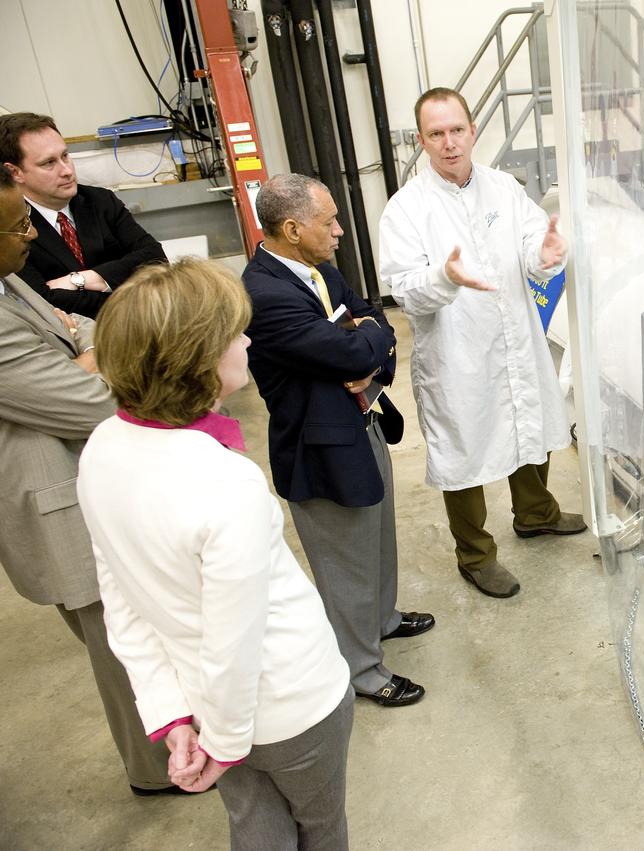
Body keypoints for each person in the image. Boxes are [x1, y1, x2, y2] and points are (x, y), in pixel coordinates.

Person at [78, 258, 354, 849]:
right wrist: (225, 746)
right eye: (234, 333)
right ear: (196, 362)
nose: (248, 340)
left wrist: (174, 717)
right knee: (322, 828)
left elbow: (122, 603)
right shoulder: (224, 481)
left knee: (255, 828)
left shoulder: (103, 448)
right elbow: (236, 639)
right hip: (289, 705)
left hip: (204, 704)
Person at [0, 166, 174, 794]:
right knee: (116, 645)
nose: (28, 234)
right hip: (58, 505)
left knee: (138, 629)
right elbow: (90, 400)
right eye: (15, 225)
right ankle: (156, 771)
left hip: (89, 480)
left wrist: (84, 348)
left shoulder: (11, 284)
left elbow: (86, 330)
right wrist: (85, 359)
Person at [378, 87, 586, 600]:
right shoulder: (406, 209)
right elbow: (404, 288)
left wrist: (548, 252)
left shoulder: (504, 189)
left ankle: (535, 514)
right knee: (464, 449)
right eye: (436, 134)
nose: (449, 143)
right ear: (422, 142)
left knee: (527, 418)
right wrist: (445, 279)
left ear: (473, 131)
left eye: (456, 130)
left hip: (514, 335)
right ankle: (475, 555)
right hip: (456, 352)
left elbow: (532, 250)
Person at [242, 173, 430, 708]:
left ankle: (382, 619)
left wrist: (369, 343)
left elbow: (374, 317)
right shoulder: (266, 293)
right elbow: (354, 348)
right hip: (319, 447)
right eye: (330, 222)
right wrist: (365, 342)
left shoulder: (316, 269)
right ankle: (361, 670)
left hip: (361, 419)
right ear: (293, 228)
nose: (340, 231)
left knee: (377, 537)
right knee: (345, 559)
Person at [0, 112, 167, 318]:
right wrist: (134, 294)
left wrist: (82, 279)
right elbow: (44, 301)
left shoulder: (100, 201)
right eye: (49, 163)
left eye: (65, 156)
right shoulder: (13, 226)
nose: (67, 171)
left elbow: (155, 258)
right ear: (14, 172)